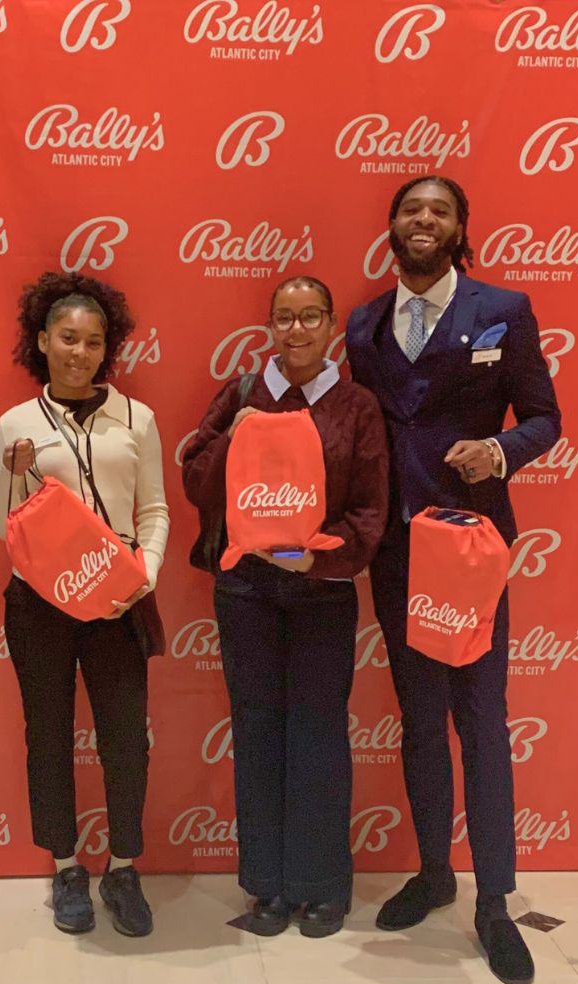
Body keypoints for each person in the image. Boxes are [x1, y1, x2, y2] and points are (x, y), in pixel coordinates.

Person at [347, 176, 560, 984]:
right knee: (418, 717)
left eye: (439, 210)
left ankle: (495, 901)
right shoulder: (363, 325)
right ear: (393, 228)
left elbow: (546, 416)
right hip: (399, 555)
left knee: (482, 719)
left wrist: (499, 452)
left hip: (471, 549)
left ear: (461, 228)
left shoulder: (504, 308)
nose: (423, 221)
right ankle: (435, 871)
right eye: (410, 210)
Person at [182, 275, 388, 938]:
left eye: (309, 318)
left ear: (331, 327)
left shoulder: (357, 406)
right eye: (283, 318)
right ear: (269, 326)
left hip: (321, 593)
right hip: (245, 590)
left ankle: (322, 884)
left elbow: (371, 509)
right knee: (258, 729)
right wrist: (234, 436)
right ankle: (267, 885)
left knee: (319, 735)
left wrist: (320, 559)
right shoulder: (245, 393)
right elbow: (194, 479)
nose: (295, 331)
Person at [0, 271, 169, 937]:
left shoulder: (136, 419)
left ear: (107, 348)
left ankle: (122, 867)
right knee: (49, 736)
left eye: (93, 341)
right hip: (41, 605)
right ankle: (66, 867)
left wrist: (140, 576)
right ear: (42, 340)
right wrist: (11, 474)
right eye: (67, 338)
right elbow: (1, 524)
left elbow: (154, 510)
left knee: (126, 740)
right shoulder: (17, 423)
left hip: (118, 601)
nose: (80, 352)